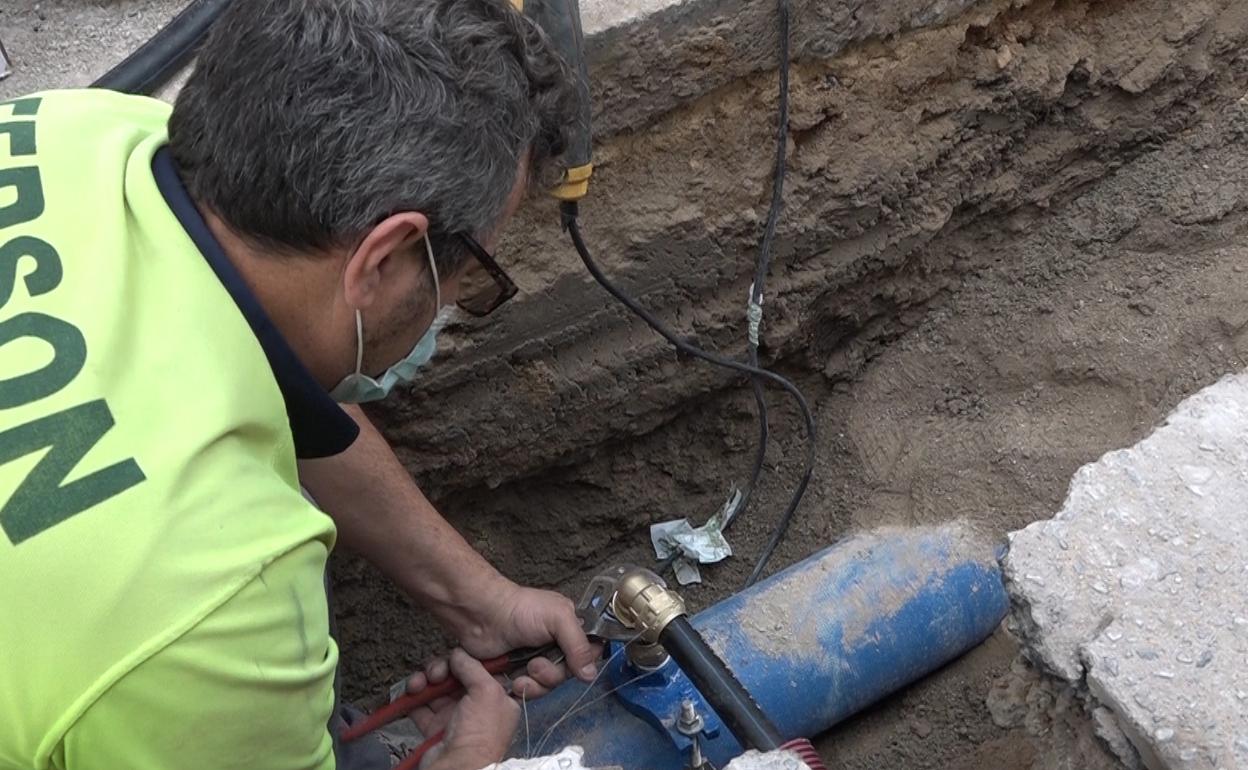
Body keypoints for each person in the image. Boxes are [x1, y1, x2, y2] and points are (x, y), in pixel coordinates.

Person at [0, 0, 599, 768]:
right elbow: (199, 614)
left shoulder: (70, 131)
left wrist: (478, 600)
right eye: (471, 273)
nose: (456, 302)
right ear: (382, 261)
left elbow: (281, 395)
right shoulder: (207, 605)